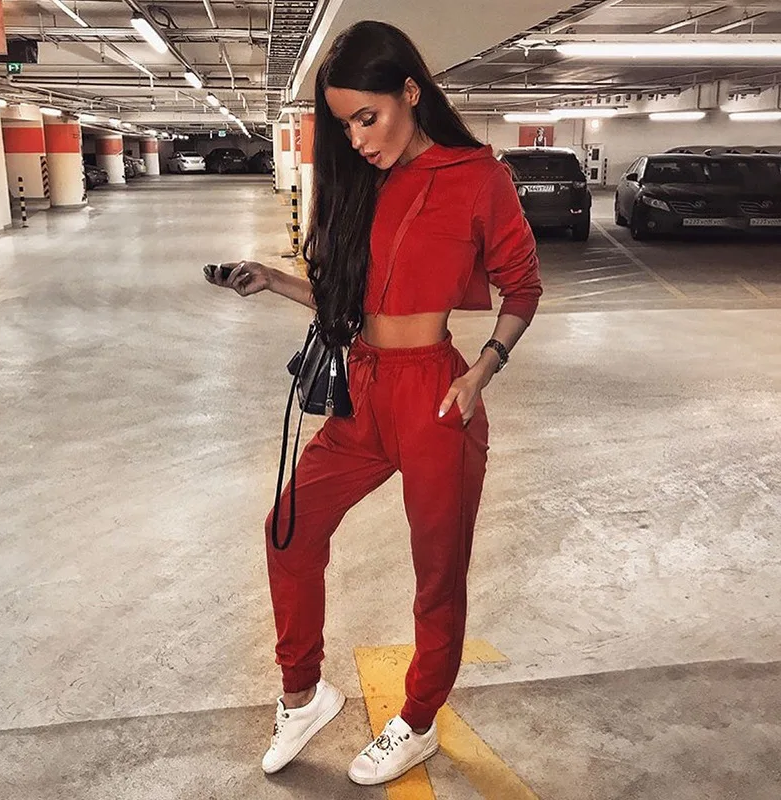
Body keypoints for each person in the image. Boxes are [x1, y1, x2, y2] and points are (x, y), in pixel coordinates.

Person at [204, 19, 542, 786]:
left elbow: (523, 287)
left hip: (436, 396)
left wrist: (481, 372)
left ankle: (417, 721)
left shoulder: (477, 177)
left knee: (437, 575)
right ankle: (302, 695)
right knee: (289, 530)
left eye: (367, 117)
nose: (357, 139)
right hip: (363, 389)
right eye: (345, 125)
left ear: (410, 93)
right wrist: (273, 280)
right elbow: (347, 304)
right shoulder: (362, 184)